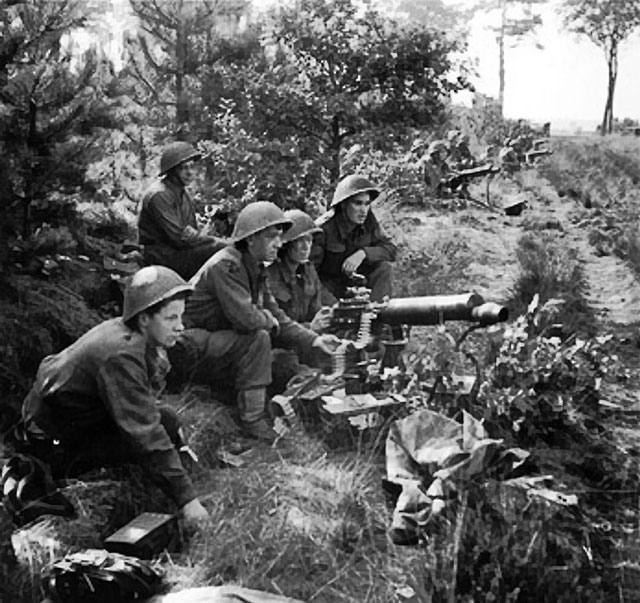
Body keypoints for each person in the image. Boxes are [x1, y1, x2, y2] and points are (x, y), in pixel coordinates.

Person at [17, 266, 210, 527]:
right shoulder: (121, 355)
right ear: (144, 319)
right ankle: (74, 476)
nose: (180, 327)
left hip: (68, 421)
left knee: (167, 420)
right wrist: (188, 501)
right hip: (55, 444)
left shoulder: (127, 332)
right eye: (171, 318)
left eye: (181, 317)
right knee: (161, 427)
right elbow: (145, 432)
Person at [176, 201, 340, 442]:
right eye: (272, 237)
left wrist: (315, 340)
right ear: (251, 239)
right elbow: (248, 319)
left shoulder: (254, 267)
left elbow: (278, 318)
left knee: (263, 336)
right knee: (258, 338)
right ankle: (252, 419)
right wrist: (268, 320)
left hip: (210, 341)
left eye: (280, 237)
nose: (280, 243)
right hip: (183, 344)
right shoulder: (227, 265)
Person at [138, 141, 226, 280]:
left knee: (226, 250)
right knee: (221, 249)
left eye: (192, 167)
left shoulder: (182, 194)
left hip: (179, 252)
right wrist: (218, 242)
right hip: (163, 257)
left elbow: (192, 233)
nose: (190, 172)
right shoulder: (160, 195)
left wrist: (200, 238)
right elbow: (180, 238)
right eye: (183, 168)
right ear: (172, 171)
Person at [267, 209, 333, 391]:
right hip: (280, 348)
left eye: (309, 240)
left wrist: (325, 321)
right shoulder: (269, 277)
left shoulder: (309, 271)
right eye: (300, 241)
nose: (306, 247)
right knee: (283, 364)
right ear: (286, 245)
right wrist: (311, 328)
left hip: (307, 343)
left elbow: (316, 311)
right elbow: (274, 330)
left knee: (339, 355)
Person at [311, 174, 396, 304]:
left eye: (367, 204)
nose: (363, 210)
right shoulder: (323, 229)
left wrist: (364, 253)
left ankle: (377, 317)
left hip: (358, 285)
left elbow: (390, 249)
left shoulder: (368, 221)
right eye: (358, 203)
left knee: (384, 268)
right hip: (329, 288)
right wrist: (334, 305)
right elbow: (309, 275)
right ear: (344, 204)